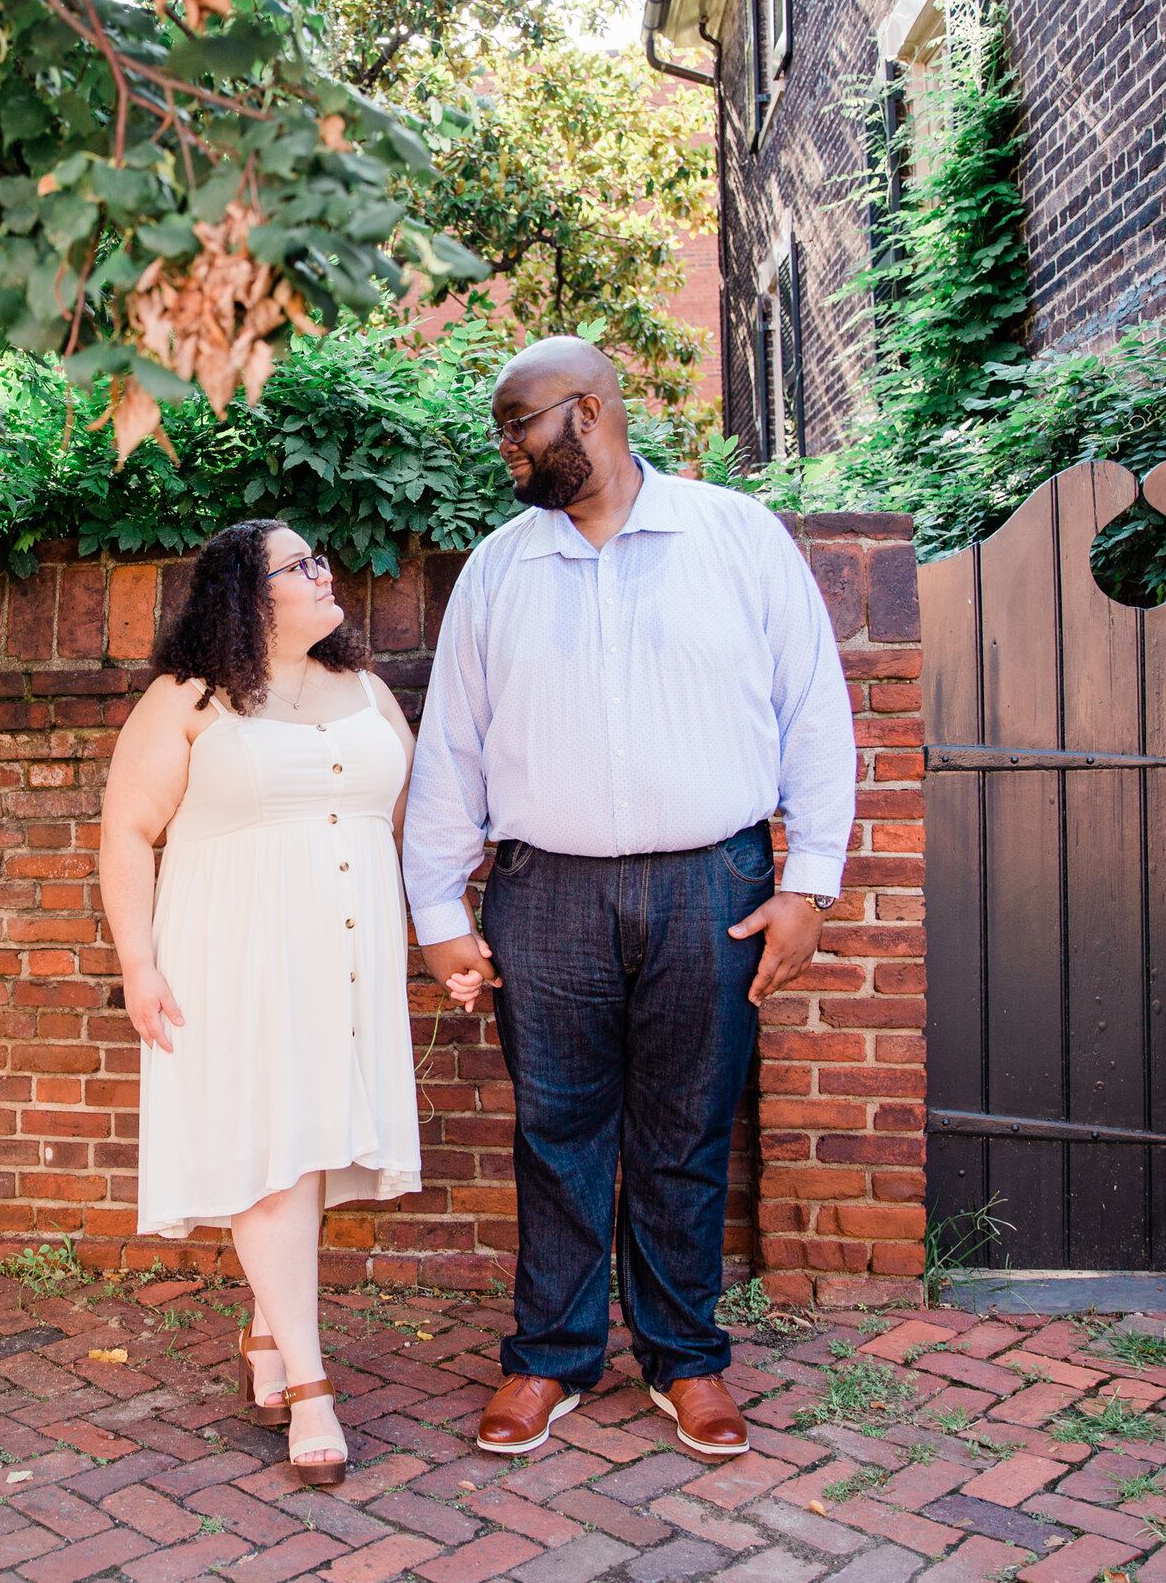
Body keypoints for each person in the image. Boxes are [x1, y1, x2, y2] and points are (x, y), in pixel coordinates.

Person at [403, 337, 856, 1459]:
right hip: (542, 894)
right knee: (556, 1132)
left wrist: (808, 882)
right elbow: (451, 748)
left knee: (685, 1130)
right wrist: (438, 914)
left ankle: (684, 1357)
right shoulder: (500, 568)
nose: (507, 446)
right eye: (502, 428)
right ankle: (547, 1356)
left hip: (715, 882)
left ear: (592, 410)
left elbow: (814, 711)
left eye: (522, 423)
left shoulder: (734, 535)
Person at [100, 519, 442, 1487]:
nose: (322, 570)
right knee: (272, 1157)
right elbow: (126, 830)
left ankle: (263, 1331)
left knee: (310, 1146)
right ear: (246, 597)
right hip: (231, 952)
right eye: (299, 565)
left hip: (346, 954)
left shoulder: (368, 691)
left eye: (318, 555)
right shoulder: (188, 698)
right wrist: (137, 962)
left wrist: (444, 935)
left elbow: (414, 825)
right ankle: (309, 1383)